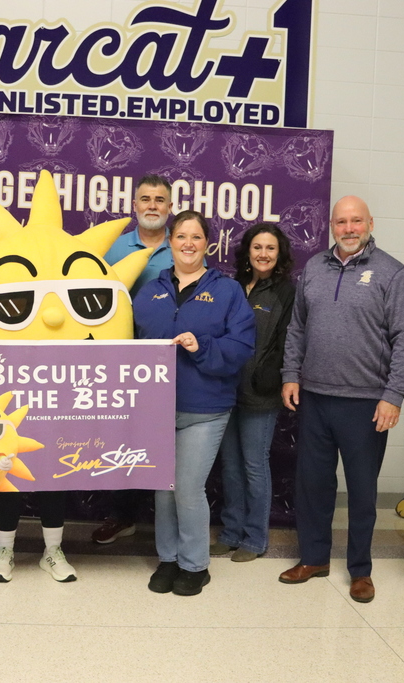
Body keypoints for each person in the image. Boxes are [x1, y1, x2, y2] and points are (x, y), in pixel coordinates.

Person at [279, 196, 404, 603]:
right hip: (315, 398)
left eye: (356, 221)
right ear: (331, 226)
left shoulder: (392, 273)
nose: (349, 228)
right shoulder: (314, 269)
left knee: (361, 491)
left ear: (370, 222)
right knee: (313, 485)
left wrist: (394, 395)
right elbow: (297, 328)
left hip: (366, 403)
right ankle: (314, 558)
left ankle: (360, 570)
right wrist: (291, 375)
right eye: (341, 222)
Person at [134, 210, 255, 596]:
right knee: (162, 488)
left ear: (208, 244)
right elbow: (126, 342)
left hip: (205, 409)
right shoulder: (151, 289)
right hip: (156, 409)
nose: (188, 243)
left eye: (196, 237)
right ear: (169, 242)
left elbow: (241, 347)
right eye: (181, 236)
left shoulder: (227, 291)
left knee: (187, 488)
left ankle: (194, 565)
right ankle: (168, 560)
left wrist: (201, 346)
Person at [92, 174, 175, 545]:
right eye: (146, 199)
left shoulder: (183, 246)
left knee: (166, 441)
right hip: (120, 360)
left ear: (170, 208)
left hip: (169, 362)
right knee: (122, 437)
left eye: (160, 200)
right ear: (134, 205)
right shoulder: (113, 248)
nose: (153, 206)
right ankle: (121, 516)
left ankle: (170, 524)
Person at [213, 223, 296, 562]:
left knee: (253, 465)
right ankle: (231, 532)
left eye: (270, 248)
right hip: (224, 390)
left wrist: (273, 376)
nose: (263, 254)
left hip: (261, 394)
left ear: (279, 255)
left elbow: (290, 342)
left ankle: (255, 539)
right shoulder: (231, 287)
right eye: (258, 247)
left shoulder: (286, 292)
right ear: (248, 251)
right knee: (229, 467)